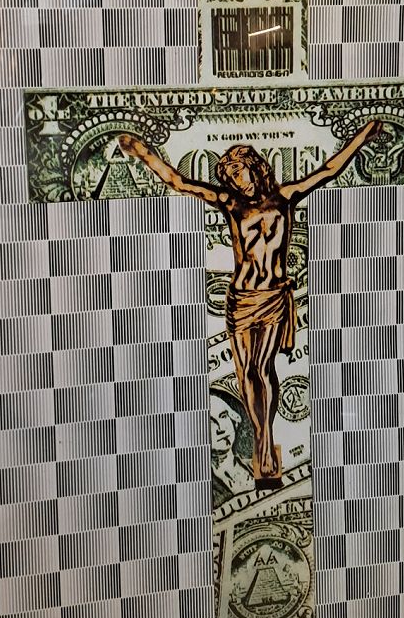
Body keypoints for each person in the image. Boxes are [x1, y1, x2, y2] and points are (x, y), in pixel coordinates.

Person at [119, 121, 381, 486]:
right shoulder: (231, 204)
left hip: (273, 296)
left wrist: (363, 136)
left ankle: (264, 442)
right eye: (228, 175)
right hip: (241, 299)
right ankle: (262, 442)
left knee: (261, 367)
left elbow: (329, 169)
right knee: (246, 373)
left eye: (237, 171)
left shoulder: (285, 196)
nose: (233, 179)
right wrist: (143, 153)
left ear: (254, 167)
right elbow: (179, 182)